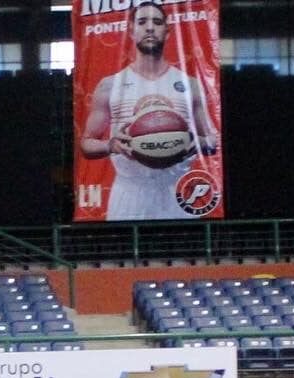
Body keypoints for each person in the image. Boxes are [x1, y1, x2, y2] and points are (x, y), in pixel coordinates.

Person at [79, 1, 219, 220]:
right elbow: (86, 143)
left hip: (178, 190)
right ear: (131, 30)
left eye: (157, 21)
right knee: (125, 254)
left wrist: (199, 143)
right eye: (142, 21)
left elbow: (213, 139)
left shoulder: (189, 83)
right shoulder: (109, 85)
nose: (150, 27)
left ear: (168, 31)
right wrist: (110, 144)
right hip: (129, 191)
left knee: (182, 253)